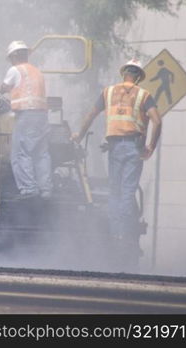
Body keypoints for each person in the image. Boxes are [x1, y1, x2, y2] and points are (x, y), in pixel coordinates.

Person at [72, 58, 161, 266]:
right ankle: (126, 236)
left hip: (114, 147)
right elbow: (157, 120)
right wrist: (151, 147)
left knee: (115, 192)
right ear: (138, 77)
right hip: (134, 147)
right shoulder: (143, 95)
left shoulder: (108, 92)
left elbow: (91, 114)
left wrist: (79, 134)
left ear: (124, 74)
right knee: (127, 193)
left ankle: (116, 234)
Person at [0, 40, 53, 199]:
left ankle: (29, 189)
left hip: (26, 116)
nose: (10, 60)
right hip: (42, 116)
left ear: (14, 56)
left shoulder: (15, 70)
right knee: (41, 153)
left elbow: (4, 87)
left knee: (21, 153)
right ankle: (46, 190)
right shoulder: (37, 71)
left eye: (10, 57)